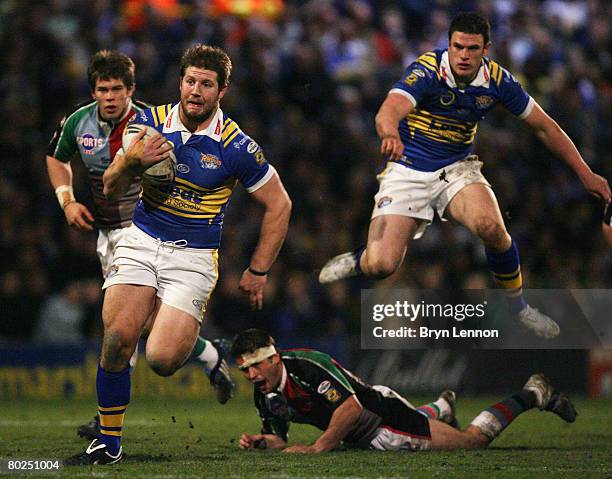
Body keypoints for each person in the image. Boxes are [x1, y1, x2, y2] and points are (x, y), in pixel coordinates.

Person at [318, 12, 611, 339]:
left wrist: (586, 174)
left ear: (486, 48)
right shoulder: (427, 70)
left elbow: (544, 126)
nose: (463, 55)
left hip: (456, 169)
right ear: (449, 45)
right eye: (457, 47)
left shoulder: (498, 81)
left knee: (492, 228)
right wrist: (390, 133)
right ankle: (359, 259)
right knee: (382, 266)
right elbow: (390, 107)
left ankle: (519, 309)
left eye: (472, 48)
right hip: (408, 170)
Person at [66, 44, 292, 465]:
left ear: (221, 91)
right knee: (117, 338)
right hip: (141, 240)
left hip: (194, 257)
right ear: (180, 82)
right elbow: (111, 188)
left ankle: (205, 348)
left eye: (206, 84)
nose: (195, 90)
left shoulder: (236, 146)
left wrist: (259, 269)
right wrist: (130, 160)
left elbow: (280, 205)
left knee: (163, 359)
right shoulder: (148, 124)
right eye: (190, 81)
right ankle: (108, 444)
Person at [49, 50, 236, 445]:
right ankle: (210, 356)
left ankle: (107, 425)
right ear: (94, 92)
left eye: (118, 89)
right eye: (103, 90)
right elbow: (56, 157)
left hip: (141, 228)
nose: (111, 97)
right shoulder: (77, 122)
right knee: (139, 326)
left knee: (123, 329)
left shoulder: (152, 122)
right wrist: (67, 199)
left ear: (131, 91)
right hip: (107, 232)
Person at [233, 329, 577, 453]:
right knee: (432, 425)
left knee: (473, 442)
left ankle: (533, 393)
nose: (250, 375)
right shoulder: (265, 393)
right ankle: (441, 407)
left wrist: (318, 448)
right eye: (244, 369)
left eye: (255, 365)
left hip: (381, 422)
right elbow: (278, 436)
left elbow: (350, 409)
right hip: (366, 428)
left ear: (274, 358)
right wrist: (263, 442)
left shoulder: (307, 366)